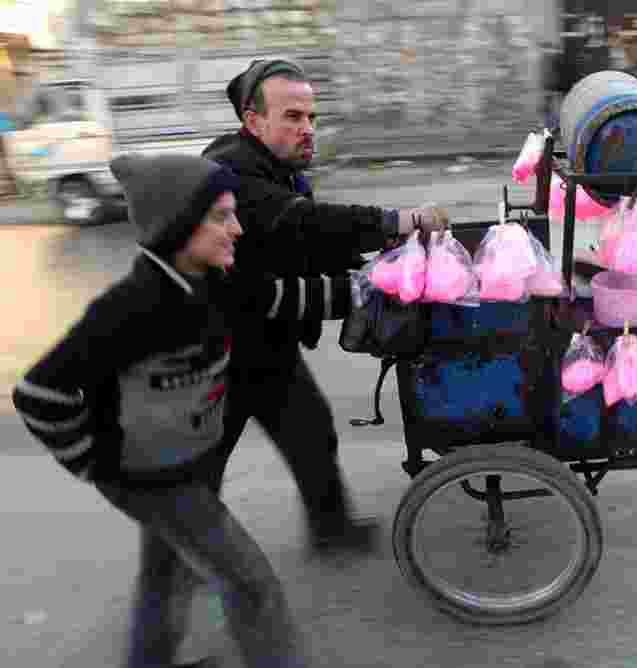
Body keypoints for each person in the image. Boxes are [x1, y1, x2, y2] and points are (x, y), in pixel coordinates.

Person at [11, 153, 347, 668]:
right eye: (221, 216)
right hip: (152, 477)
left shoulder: (215, 281)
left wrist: (375, 291)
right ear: (179, 225)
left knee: (166, 570)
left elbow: (280, 298)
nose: (237, 228)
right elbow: (39, 395)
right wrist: (95, 464)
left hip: (181, 460)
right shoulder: (132, 307)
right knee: (251, 585)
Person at [202, 58, 449, 552]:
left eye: (310, 117)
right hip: (214, 352)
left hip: (265, 341)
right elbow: (301, 223)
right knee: (198, 468)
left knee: (310, 432)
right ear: (253, 121)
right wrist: (400, 221)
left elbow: (313, 243)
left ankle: (332, 529)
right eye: (292, 117)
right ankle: (173, 571)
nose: (306, 128)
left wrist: (386, 266)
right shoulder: (230, 170)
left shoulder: (281, 171)